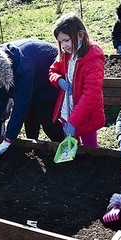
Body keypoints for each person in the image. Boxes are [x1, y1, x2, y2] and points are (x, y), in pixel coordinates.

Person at [0, 38, 65, 160]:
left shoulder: (21, 68)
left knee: (45, 117)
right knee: (30, 116)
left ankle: (64, 148)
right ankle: (32, 146)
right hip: (33, 73)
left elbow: (20, 106)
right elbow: (1, 95)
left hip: (48, 74)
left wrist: (8, 139)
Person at [48, 12, 106, 147]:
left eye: (66, 40)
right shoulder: (66, 54)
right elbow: (52, 71)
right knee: (71, 146)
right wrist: (58, 80)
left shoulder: (93, 59)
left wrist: (73, 121)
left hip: (86, 115)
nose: (64, 45)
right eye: (61, 42)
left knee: (90, 148)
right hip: (66, 111)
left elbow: (90, 95)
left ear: (80, 35)